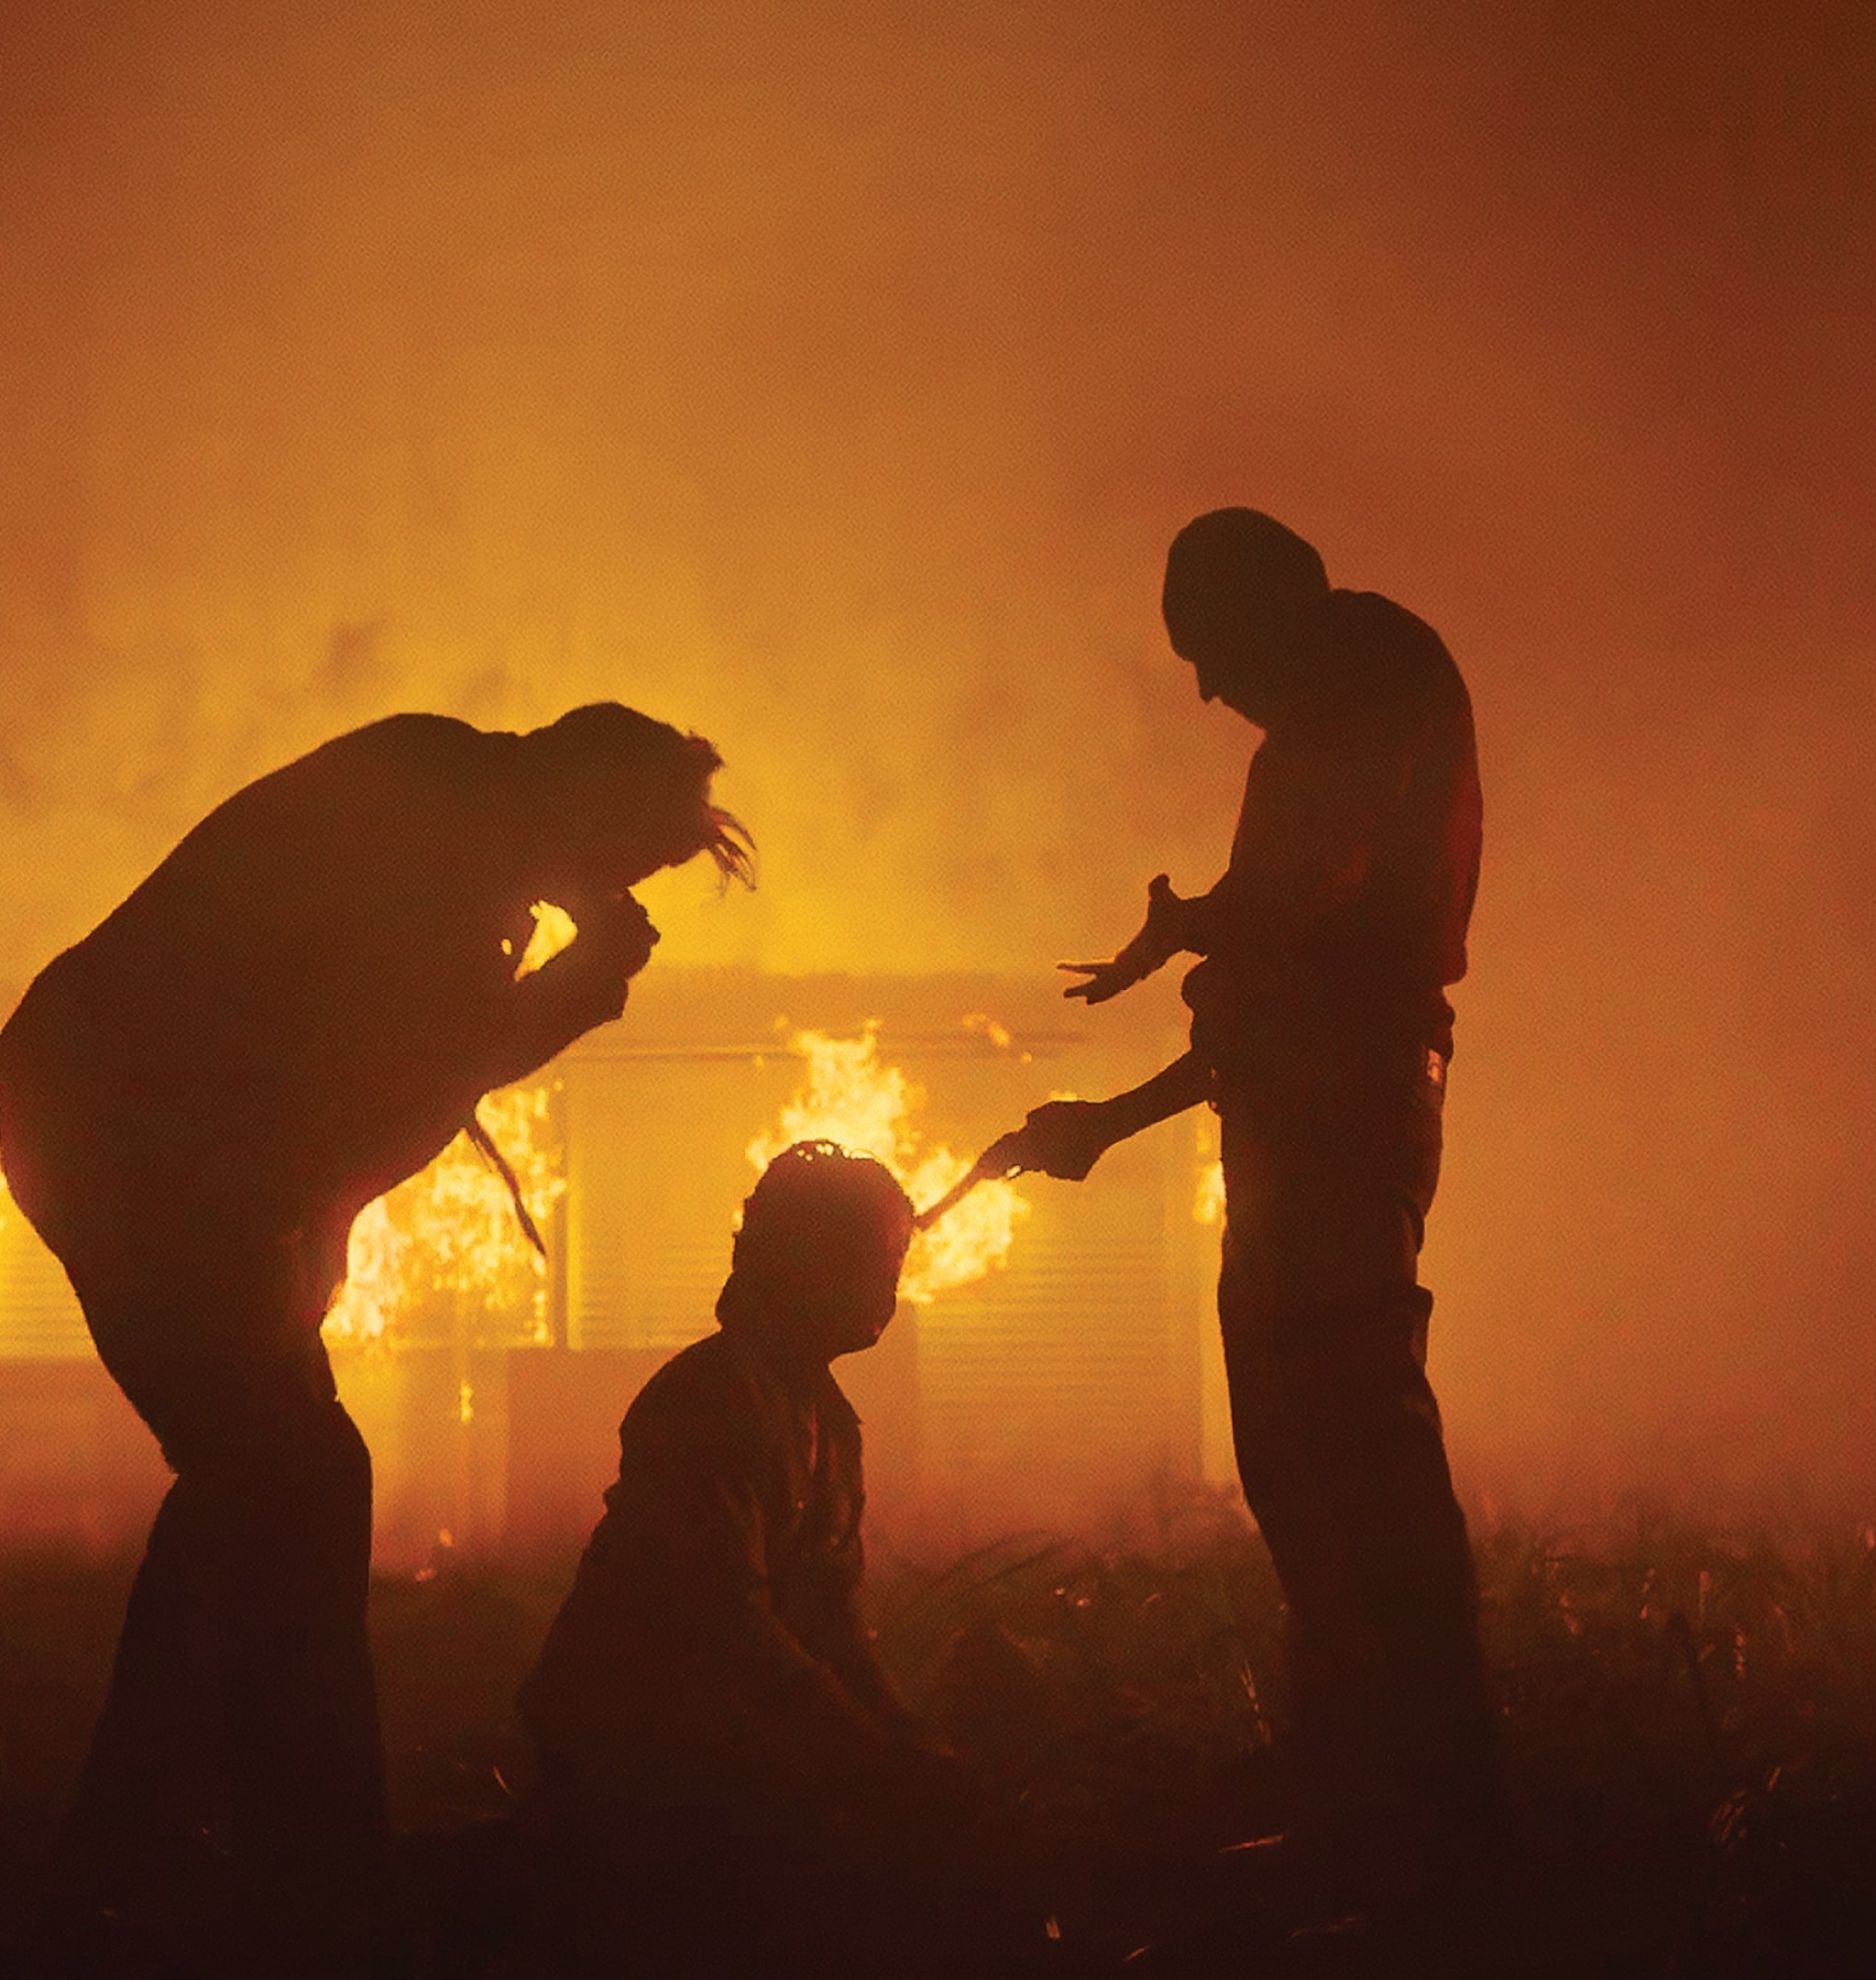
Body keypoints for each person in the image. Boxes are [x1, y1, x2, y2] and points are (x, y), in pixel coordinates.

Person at [0, 704, 749, 1947]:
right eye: (618, 860)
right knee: (292, 1475)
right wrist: (576, 992)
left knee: (262, 1487)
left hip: (170, 1161)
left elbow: (379, 1082)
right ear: (582, 800)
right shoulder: (435, 840)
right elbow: (411, 1077)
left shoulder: (453, 818)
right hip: (135, 1152)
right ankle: (280, 1858)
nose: (604, 889)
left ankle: (191, 1843)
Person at [991, 507, 1505, 1875]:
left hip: (1343, 1112)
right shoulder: (1346, 703)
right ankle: (1361, 1756)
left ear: (1274, 606)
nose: (1208, 690)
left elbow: (1307, 898)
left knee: (1354, 1436)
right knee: (1300, 1439)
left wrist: (1199, 927)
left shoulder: (1361, 685)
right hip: (1307, 1109)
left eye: (1208, 650)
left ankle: (1429, 1782)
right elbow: (1279, 980)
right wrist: (1115, 1114)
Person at [516, 1141, 993, 1975]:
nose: (892, 1285)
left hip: (728, 1732)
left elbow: (833, 1626)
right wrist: (866, 1757)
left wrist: (911, 1742)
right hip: (632, 1743)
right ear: (812, 1264)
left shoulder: (830, 1426)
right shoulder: (707, 1404)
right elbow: (728, 1626)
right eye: (880, 1259)